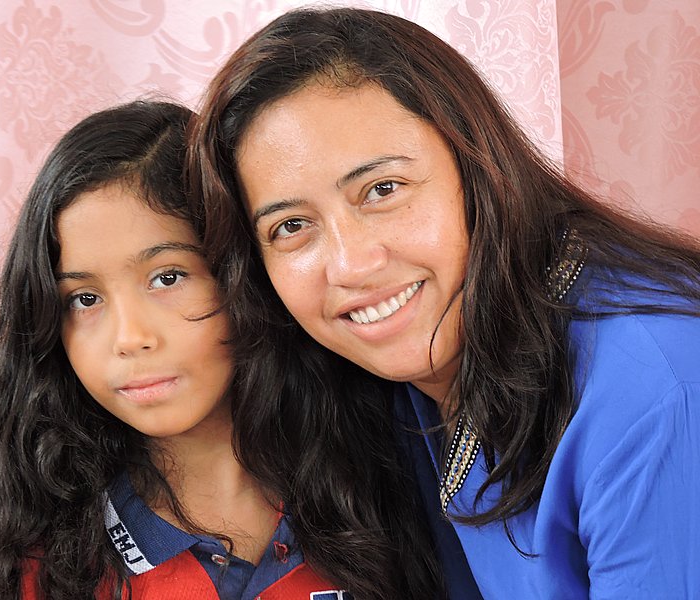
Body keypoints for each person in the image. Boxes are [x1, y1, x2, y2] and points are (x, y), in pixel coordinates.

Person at [189, 7, 700, 599]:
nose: (352, 265)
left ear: (476, 166)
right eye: (292, 226)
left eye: (382, 190)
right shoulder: (403, 373)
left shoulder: (655, 386)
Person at [0, 100, 443, 599]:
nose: (129, 337)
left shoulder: (400, 480)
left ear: (243, 276)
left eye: (167, 277)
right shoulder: (35, 564)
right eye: (85, 298)